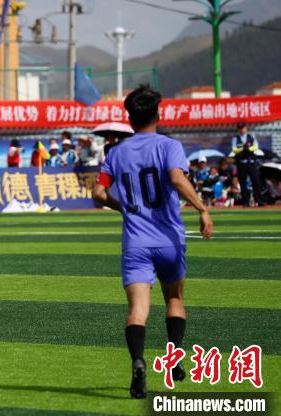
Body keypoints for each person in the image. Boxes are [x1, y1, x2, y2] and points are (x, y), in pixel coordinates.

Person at [91, 85, 213, 399]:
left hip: (136, 243)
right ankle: (174, 360)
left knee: (137, 310)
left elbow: (98, 193)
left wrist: (124, 207)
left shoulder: (116, 153)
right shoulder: (170, 146)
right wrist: (202, 209)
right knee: (174, 300)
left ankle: (138, 361)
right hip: (169, 240)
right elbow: (176, 178)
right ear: (157, 115)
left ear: (129, 118)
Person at [231, 122, 264, 207]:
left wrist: (249, 149)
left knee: (256, 181)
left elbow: (256, 146)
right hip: (242, 163)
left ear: (246, 128)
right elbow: (234, 149)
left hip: (251, 163)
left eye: (243, 128)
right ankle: (245, 202)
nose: (241, 130)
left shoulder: (251, 136)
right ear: (238, 129)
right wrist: (242, 149)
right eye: (240, 128)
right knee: (243, 183)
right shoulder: (235, 138)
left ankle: (259, 200)